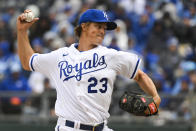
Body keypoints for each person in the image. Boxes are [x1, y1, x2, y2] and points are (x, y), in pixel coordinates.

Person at [17, 9, 161, 131]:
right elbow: (27, 61)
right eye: (98, 26)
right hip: (68, 128)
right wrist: (22, 31)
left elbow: (140, 75)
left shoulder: (111, 56)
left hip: (101, 126)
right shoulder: (60, 56)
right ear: (84, 26)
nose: (102, 31)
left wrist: (155, 97)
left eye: (104, 28)